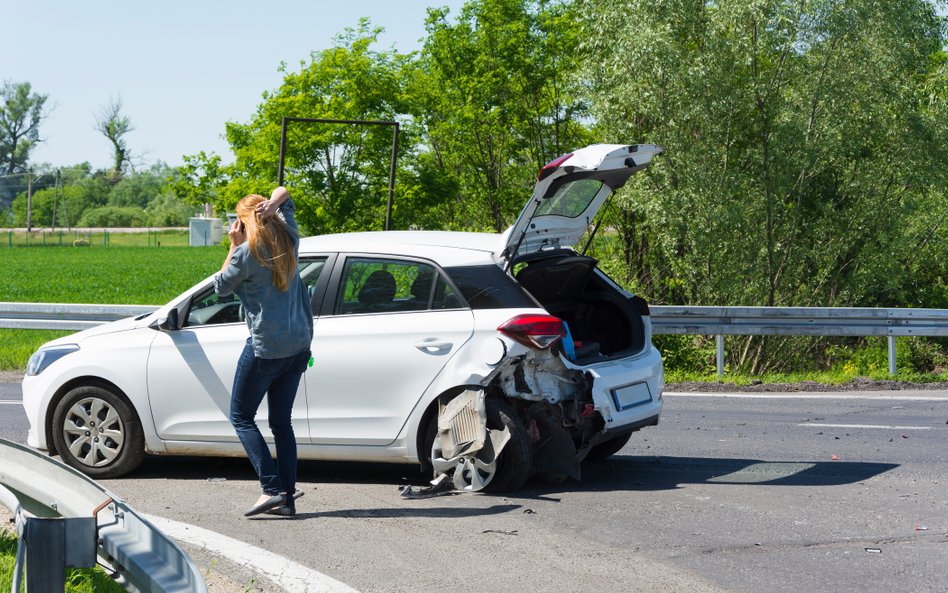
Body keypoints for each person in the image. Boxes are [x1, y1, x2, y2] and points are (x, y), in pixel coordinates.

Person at [213, 186, 313, 517]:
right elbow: (286, 192)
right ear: (268, 214)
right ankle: (287, 500)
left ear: (242, 223)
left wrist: (232, 245)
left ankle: (271, 489)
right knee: (281, 423)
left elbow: (220, 288)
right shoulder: (290, 238)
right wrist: (276, 203)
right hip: (298, 346)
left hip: (266, 348)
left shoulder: (246, 254)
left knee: (241, 416)